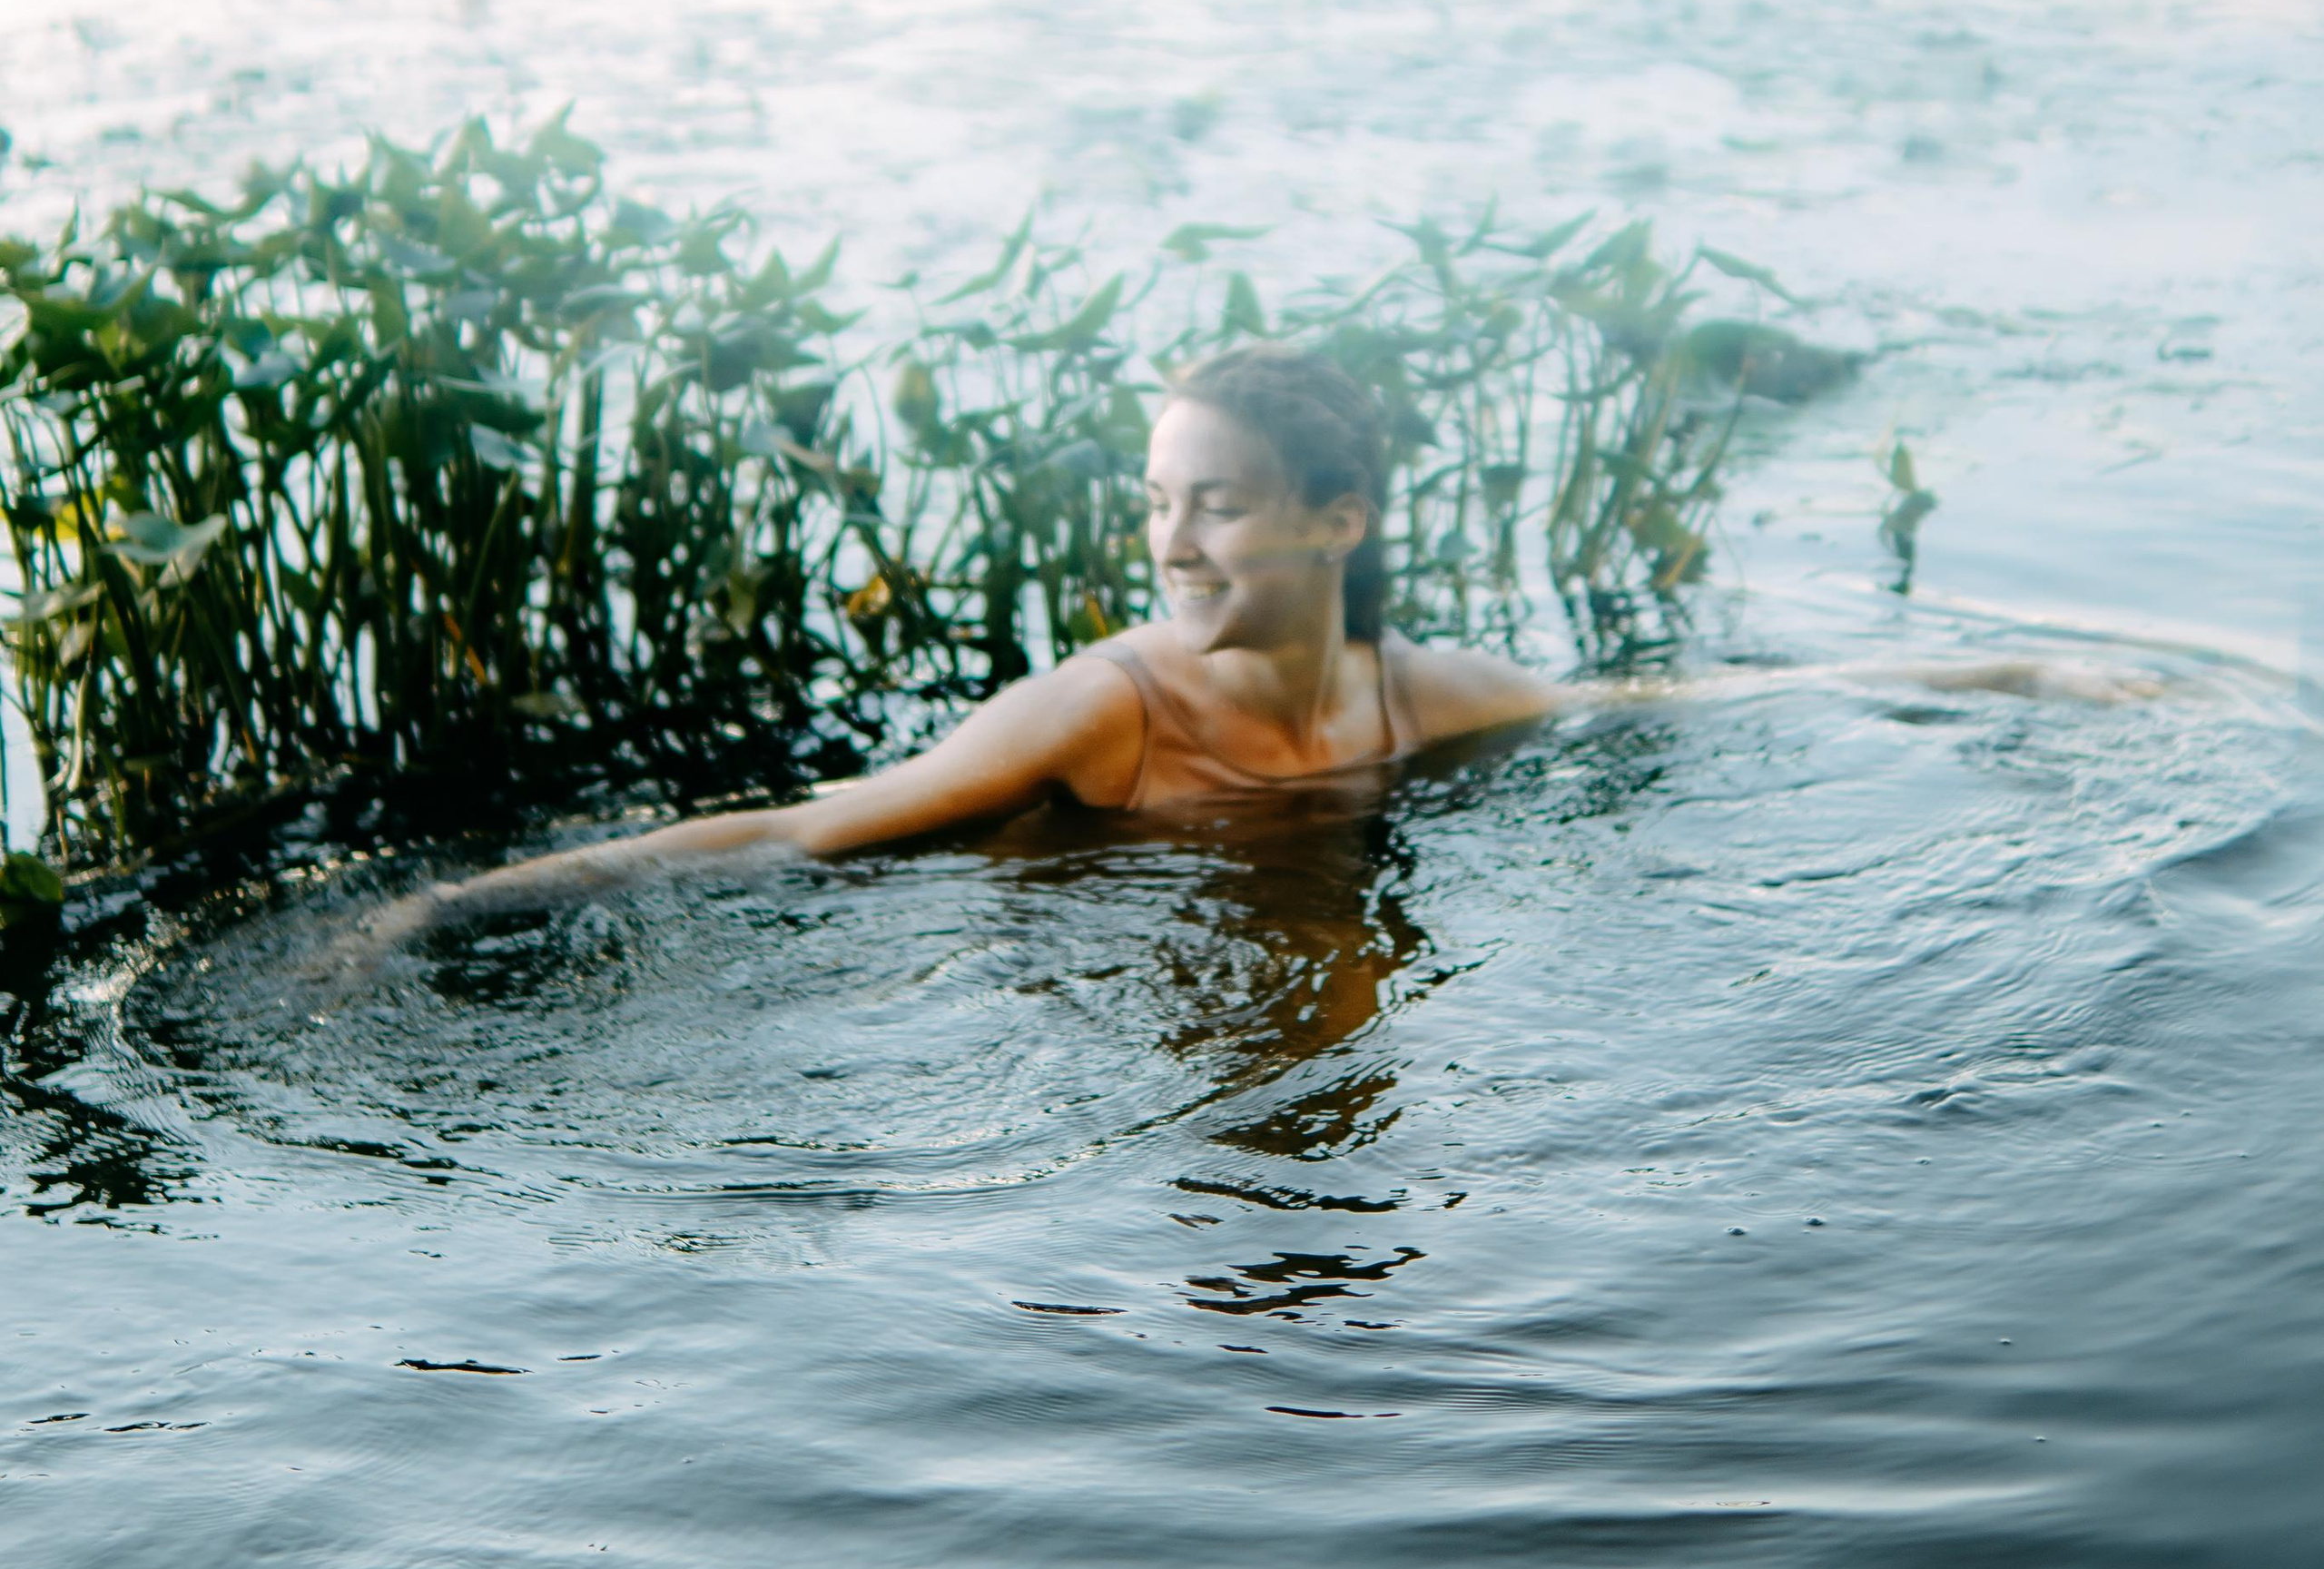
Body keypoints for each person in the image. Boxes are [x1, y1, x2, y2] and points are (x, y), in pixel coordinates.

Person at [363, 341, 2152, 947]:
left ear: (1334, 523)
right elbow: (791, 830)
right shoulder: (1100, 712)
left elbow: (1687, 697)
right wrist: (433, 909)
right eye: (1160, 501)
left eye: (1216, 503)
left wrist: (2014, 675)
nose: (1167, 538)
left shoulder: (1410, 699)